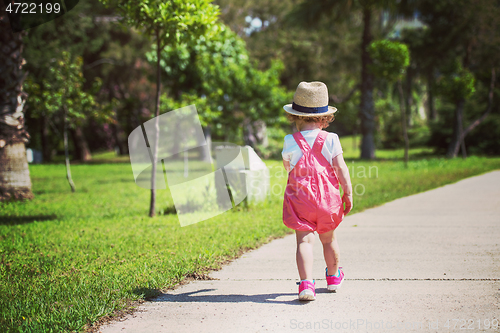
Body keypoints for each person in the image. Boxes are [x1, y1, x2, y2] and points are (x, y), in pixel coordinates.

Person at [281, 81, 353, 301]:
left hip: (300, 200)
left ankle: (306, 285)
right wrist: (348, 193)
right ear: (325, 118)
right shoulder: (331, 139)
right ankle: (333, 278)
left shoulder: (289, 141)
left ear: (295, 117)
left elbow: (287, 166)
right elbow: (341, 168)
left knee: (304, 242)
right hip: (327, 201)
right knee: (329, 240)